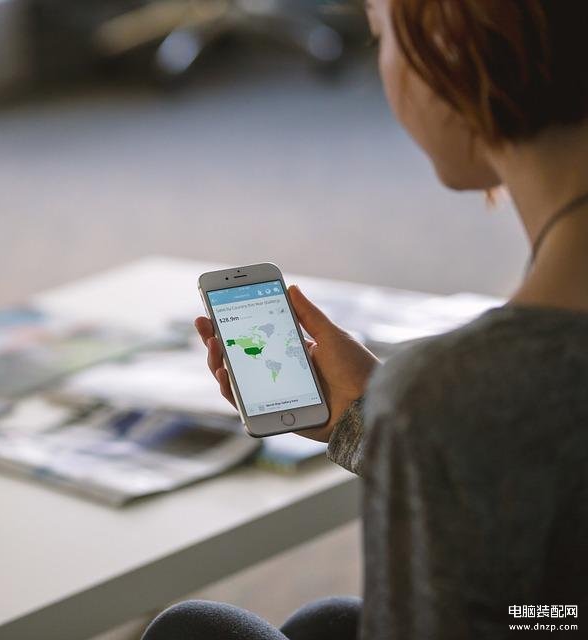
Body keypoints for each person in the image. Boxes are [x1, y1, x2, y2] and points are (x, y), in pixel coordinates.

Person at [142, 1, 588, 638]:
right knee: (326, 624)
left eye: (380, 37)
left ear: (453, 51)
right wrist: (366, 421)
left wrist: (424, 415)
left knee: (194, 631)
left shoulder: (461, 392)